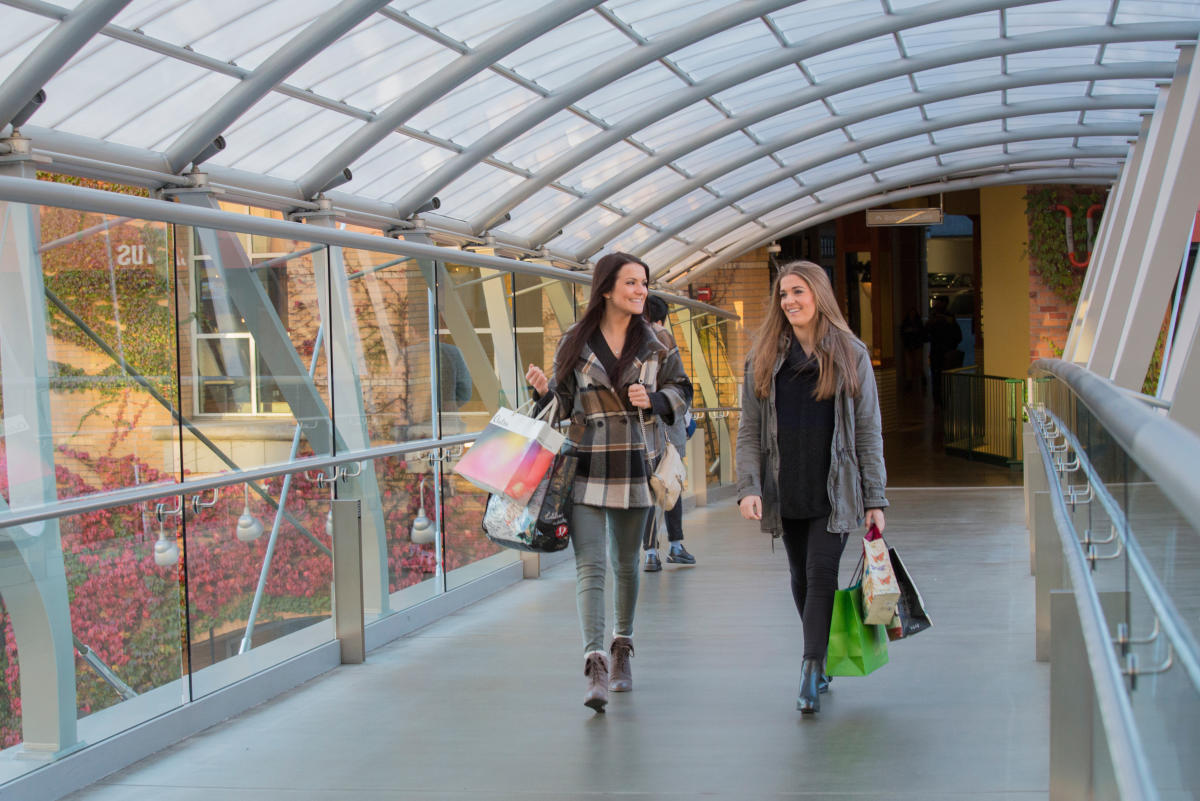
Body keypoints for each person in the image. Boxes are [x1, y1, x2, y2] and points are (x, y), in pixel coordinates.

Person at [525, 252, 692, 713]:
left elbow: (684, 390)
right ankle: (594, 662)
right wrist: (541, 391)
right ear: (606, 289)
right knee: (590, 568)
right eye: (632, 283)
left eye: (643, 283)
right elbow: (560, 403)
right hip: (587, 466)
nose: (641, 291)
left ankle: (622, 649)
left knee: (625, 565)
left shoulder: (657, 342)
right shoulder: (574, 343)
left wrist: (655, 398)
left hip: (637, 464)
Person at [735, 261, 888, 715]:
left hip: (835, 490)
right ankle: (818, 658)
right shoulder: (763, 357)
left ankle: (809, 666)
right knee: (800, 577)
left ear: (818, 295)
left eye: (798, 292)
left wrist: (875, 497)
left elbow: (867, 431)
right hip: (787, 489)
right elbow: (749, 430)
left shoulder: (850, 353)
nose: (790, 302)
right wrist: (748, 486)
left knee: (822, 573)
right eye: (783, 295)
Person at [641, 294, 696, 571]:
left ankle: (651, 551)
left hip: (644, 435)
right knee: (669, 486)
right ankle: (674, 546)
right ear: (660, 320)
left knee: (649, 493)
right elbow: (682, 390)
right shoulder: (662, 339)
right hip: (666, 434)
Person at [927, 295, 962, 407]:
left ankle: (942, 401)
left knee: (941, 378)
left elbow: (957, 336)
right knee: (940, 378)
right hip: (940, 353)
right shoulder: (938, 317)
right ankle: (940, 401)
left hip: (943, 353)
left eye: (939, 302)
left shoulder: (948, 318)